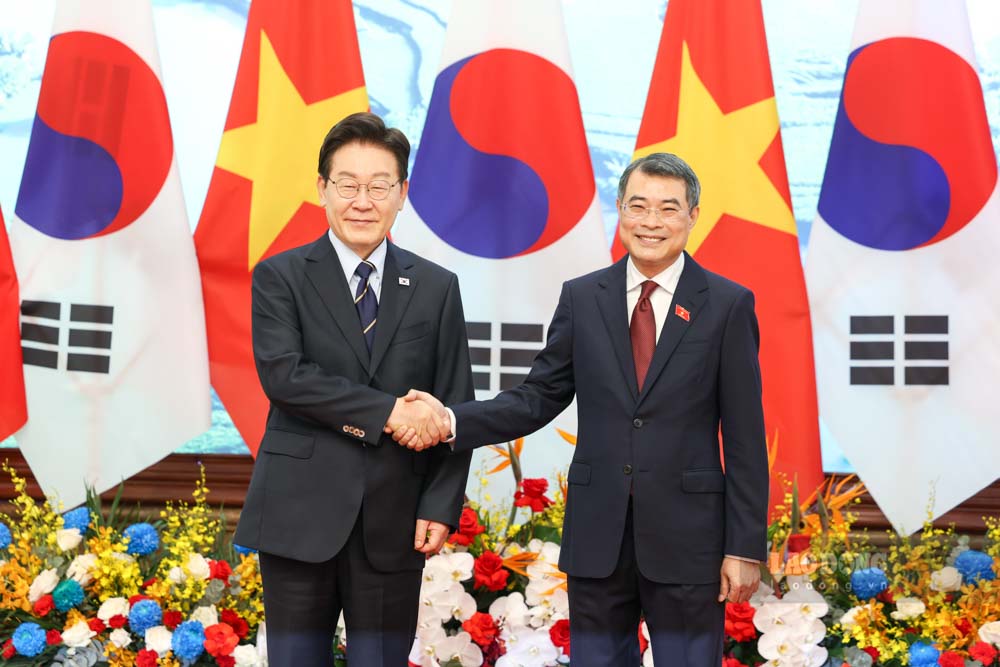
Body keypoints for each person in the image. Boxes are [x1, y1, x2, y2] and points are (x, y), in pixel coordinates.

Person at [395, 153, 769, 666]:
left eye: (668, 208)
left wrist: (745, 547)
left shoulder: (727, 305)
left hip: (690, 539)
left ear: (692, 216)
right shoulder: (583, 298)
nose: (651, 222)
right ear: (619, 210)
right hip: (599, 536)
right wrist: (452, 420)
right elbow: (538, 397)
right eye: (638, 206)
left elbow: (747, 437)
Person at [233, 112, 474, 666]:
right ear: (322, 189)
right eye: (347, 185)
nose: (362, 201)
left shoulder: (436, 287)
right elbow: (286, 377)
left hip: (395, 519)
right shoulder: (281, 276)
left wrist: (440, 503)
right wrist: (389, 411)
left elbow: (454, 403)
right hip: (298, 515)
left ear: (402, 193)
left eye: (378, 186)